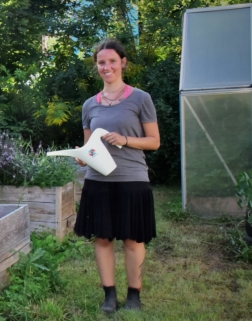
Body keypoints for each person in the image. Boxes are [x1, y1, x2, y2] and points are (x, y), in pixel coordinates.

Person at [73, 39, 160, 313]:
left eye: (112, 61)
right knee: (103, 238)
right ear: (96, 67)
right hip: (98, 181)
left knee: (133, 239)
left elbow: (154, 141)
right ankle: (109, 296)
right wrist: (80, 155)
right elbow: (89, 147)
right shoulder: (90, 105)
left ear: (123, 63)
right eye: (101, 62)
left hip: (132, 179)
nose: (106, 67)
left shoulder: (140, 98)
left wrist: (125, 139)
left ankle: (134, 295)